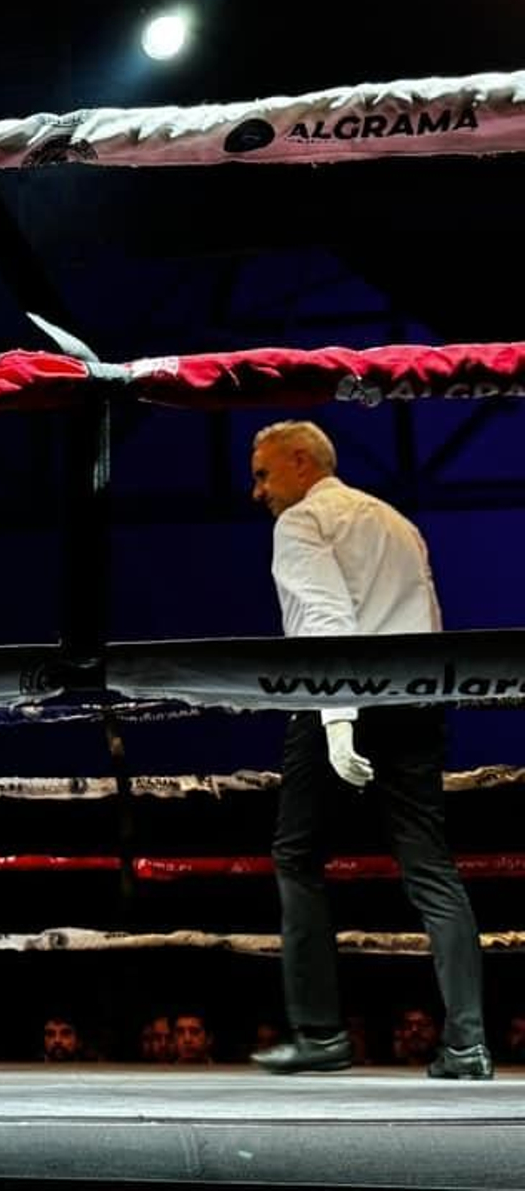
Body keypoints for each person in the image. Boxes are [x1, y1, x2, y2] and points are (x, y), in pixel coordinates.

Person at [246, 420, 491, 1080]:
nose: (258, 491)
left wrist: (337, 723)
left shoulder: (302, 523)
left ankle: (322, 1035)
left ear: (301, 463)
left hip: (341, 699)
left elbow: (326, 626)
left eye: (265, 473)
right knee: (432, 868)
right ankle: (467, 1044)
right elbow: (429, 622)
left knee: (296, 857)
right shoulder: (395, 520)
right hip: (416, 703)